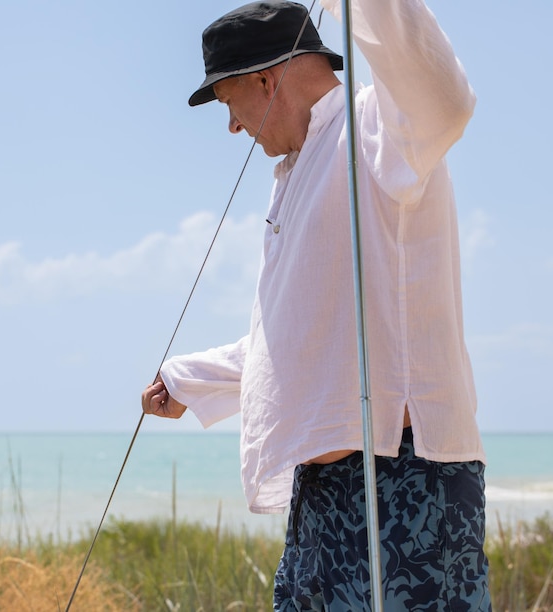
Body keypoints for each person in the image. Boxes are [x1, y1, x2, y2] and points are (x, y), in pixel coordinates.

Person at [142, 0, 491, 609]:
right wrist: (189, 380)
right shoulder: (297, 170)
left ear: (265, 79)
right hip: (322, 490)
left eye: (227, 102)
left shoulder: (380, 127)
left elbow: (447, 97)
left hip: (407, 478)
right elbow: (299, 340)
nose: (232, 127)